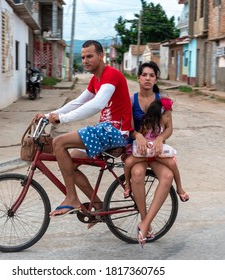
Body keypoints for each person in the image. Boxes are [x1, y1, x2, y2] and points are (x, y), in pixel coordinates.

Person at [35, 40, 133, 217]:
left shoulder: (111, 75)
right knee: (70, 163)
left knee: (58, 142)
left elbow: (97, 104)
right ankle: (99, 206)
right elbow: (78, 102)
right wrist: (49, 115)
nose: (85, 60)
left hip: (116, 132)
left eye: (90, 56)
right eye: (83, 57)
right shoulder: (96, 79)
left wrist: (62, 119)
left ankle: (72, 198)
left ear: (101, 56)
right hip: (106, 130)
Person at [126, 61, 181, 248]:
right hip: (139, 150)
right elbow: (128, 128)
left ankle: (145, 223)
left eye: (152, 75)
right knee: (138, 174)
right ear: (138, 78)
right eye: (144, 75)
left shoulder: (163, 101)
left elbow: (169, 128)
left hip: (156, 151)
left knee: (168, 175)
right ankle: (144, 220)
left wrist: (160, 138)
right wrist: (137, 135)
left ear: (155, 79)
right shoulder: (131, 100)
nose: (148, 78)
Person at [123, 97, 189, 203]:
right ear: (158, 116)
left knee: (172, 164)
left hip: (157, 155)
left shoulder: (162, 127)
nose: (168, 119)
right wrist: (143, 142)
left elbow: (165, 135)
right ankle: (127, 184)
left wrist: (159, 141)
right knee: (128, 162)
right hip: (144, 154)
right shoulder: (146, 125)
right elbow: (140, 138)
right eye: (166, 116)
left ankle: (179, 187)